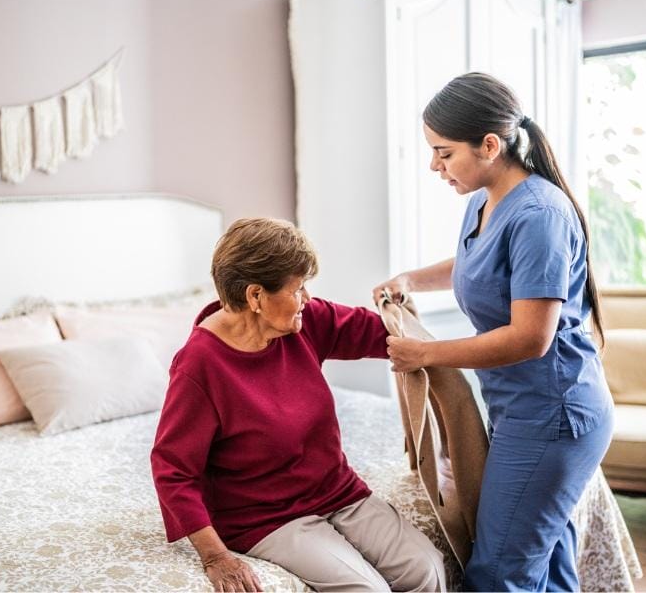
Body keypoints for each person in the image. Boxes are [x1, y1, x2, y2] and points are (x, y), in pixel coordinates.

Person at [373, 72, 614, 592]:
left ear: (489, 145)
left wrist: (426, 353)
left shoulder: (540, 215)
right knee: (545, 566)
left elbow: (532, 338)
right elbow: (474, 263)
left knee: (500, 572)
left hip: (555, 416)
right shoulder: (484, 200)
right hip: (523, 409)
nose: (434, 166)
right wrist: (411, 278)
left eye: (443, 153)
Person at [151, 218, 445, 593]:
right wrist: (215, 556)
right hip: (263, 517)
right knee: (366, 590)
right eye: (298, 288)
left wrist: (412, 320)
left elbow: (384, 335)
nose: (307, 297)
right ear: (255, 297)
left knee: (427, 569)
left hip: (336, 490)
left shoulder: (305, 322)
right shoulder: (199, 365)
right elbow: (173, 470)